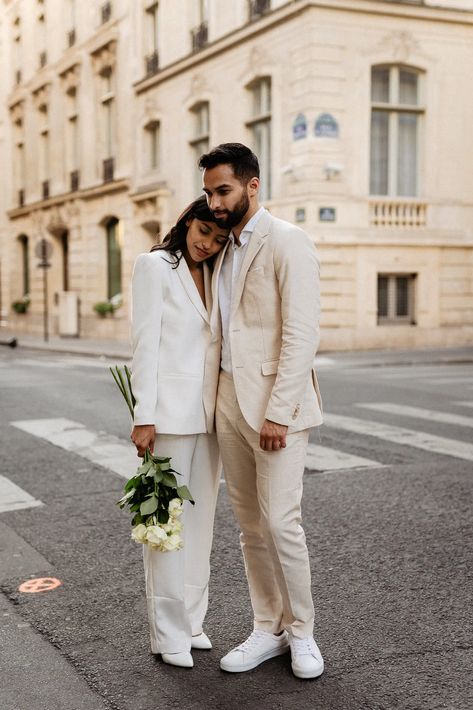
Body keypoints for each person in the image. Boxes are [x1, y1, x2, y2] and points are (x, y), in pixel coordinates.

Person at [199, 143, 324, 680]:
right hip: (227, 397)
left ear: (252, 185)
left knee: (281, 524)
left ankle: (303, 634)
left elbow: (302, 334)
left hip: (275, 405)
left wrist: (280, 411)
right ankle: (266, 627)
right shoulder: (221, 247)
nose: (215, 201)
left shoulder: (288, 241)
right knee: (250, 527)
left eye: (223, 189)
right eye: (208, 192)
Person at [130, 196, 229, 668]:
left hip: (210, 419)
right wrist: (143, 415)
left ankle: (191, 621)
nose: (207, 244)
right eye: (203, 231)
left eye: (218, 238)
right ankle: (167, 635)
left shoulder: (214, 273)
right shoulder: (155, 267)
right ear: (188, 220)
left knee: (201, 523)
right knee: (164, 528)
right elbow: (144, 345)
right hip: (167, 418)